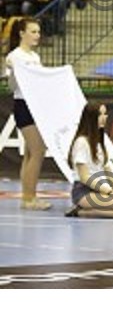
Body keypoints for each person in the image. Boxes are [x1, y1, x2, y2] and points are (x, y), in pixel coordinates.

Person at [4, 17, 51, 210]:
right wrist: (14, 73)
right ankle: (30, 198)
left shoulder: (34, 57)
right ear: (22, 33)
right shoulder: (14, 57)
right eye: (33, 31)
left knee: (31, 153)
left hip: (36, 105)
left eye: (38, 32)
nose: (37, 35)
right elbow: (12, 86)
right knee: (38, 151)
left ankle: (27, 197)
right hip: (23, 105)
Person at [65, 103, 113, 218]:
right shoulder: (81, 142)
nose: (104, 117)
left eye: (105, 114)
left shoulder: (99, 143)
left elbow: (108, 171)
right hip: (84, 191)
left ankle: (86, 209)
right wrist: (109, 192)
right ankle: (80, 212)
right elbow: (84, 178)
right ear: (91, 118)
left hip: (100, 189)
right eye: (100, 114)